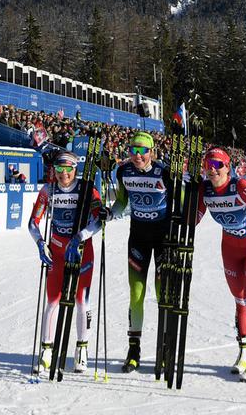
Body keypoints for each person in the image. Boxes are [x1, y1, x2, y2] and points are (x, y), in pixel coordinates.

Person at [196, 147, 246, 381]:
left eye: (217, 165)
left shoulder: (240, 186)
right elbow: (193, 220)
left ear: (227, 167)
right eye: (208, 165)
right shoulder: (206, 189)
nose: (212, 170)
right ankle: (243, 353)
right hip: (230, 249)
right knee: (240, 302)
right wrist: (187, 193)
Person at [106, 130, 178, 373]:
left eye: (142, 150)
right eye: (133, 150)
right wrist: (110, 212)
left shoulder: (164, 172)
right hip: (138, 237)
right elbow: (122, 202)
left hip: (163, 238)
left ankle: (165, 348)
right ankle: (133, 349)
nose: (137, 155)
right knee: (136, 293)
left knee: (161, 294)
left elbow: (181, 200)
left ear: (152, 152)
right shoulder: (123, 171)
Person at [28, 151, 103, 374]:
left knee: (81, 301)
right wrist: (41, 243)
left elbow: (98, 221)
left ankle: (81, 349)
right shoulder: (48, 190)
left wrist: (80, 237)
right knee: (52, 302)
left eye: (68, 169)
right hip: (57, 252)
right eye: (59, 169)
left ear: (75, 169)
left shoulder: (87, 189)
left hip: (81, 252)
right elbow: (33, 222)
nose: (63, 174)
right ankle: (47, 352)